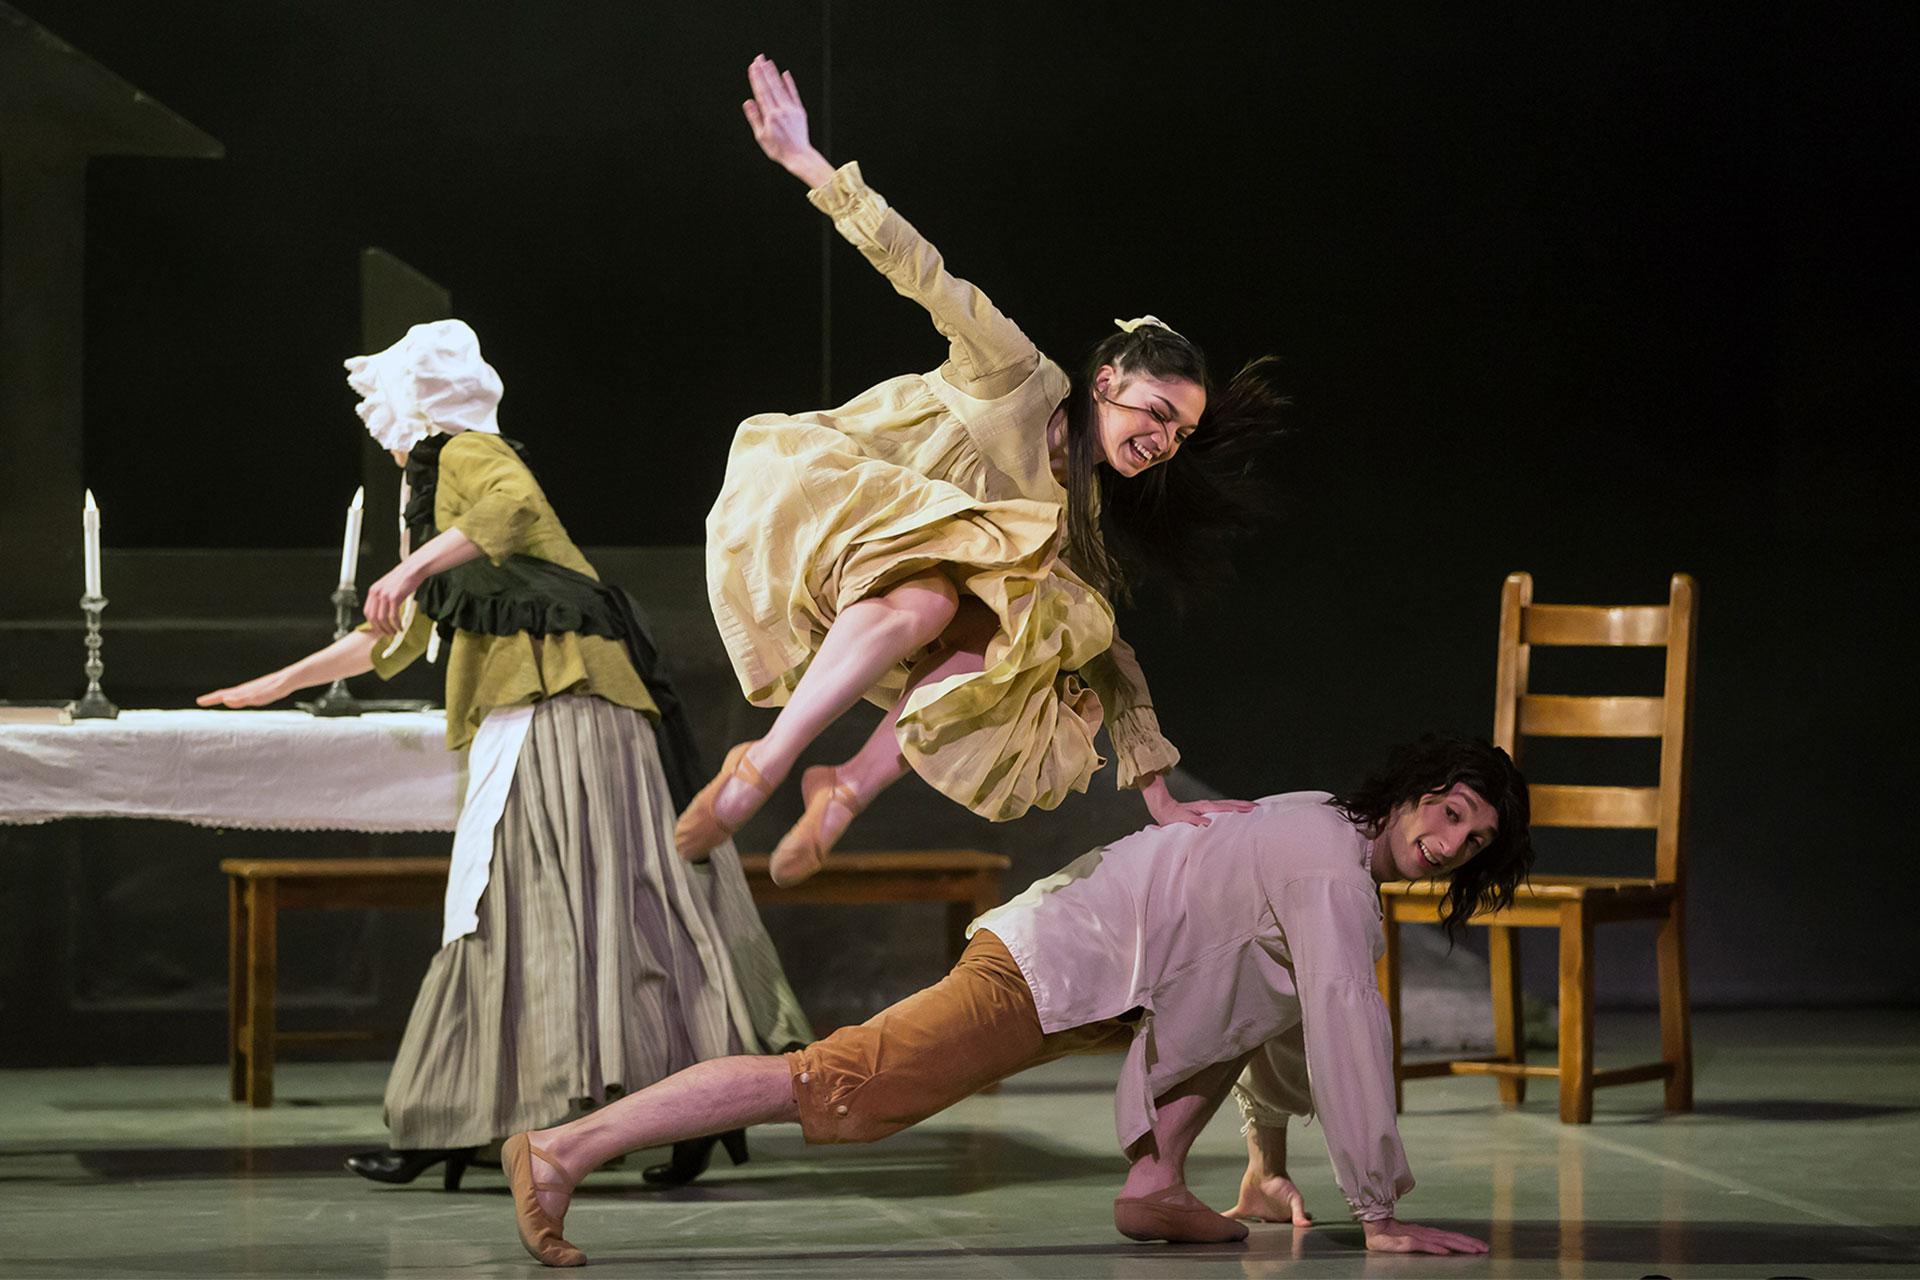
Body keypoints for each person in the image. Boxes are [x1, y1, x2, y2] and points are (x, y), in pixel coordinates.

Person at [498, 734, 1533, 1266]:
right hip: (1052, 961)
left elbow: (1285, 1002)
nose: (1447, 845)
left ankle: (1158, 1183)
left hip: (1112, 970)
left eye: (1473, 840)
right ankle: (567, 1147)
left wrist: (1263, 1166)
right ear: (1412, 791)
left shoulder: (1324, 824)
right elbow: (1346, 1020)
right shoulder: (1336, 875)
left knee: (1246, 987)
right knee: (838, 1083)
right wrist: (1380, 1213)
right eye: (1448, 813)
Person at [199, 319, 810, 1190]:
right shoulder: (434, 498)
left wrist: (409, 573)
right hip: (557, 702)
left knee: (553, 901)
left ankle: (469, 1121)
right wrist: (274, 684)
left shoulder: (459, 451)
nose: (379, 419)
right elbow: (396, 635)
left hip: (565, 696)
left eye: (387, 398)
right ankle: (604, 1113)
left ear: (420, 395)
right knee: (590, 900)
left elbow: (514, 502)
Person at [677, 56, 1291, 885]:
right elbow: (921, 268)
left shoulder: (1078, 518)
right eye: (1157, 413)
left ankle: (848, 786)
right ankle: (765, 763)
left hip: (905, 605)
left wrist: (1159, 792)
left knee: (1011, 628)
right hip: (849, 512)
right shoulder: (1019, 374)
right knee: (933, 593)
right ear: (1106, 382)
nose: (1164, 440)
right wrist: (807, 162)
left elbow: (1115, 665)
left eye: (1179, 434)